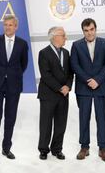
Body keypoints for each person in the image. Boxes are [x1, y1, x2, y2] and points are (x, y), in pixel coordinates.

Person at [0, 15, 28, 161]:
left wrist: (12, 75)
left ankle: (6, 148)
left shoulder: (22, 44)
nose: (7, 27)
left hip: (13, 86)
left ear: (16, 27)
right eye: (5, 25)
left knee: (10, 118)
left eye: (10, 25)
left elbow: (23, 65)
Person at [70, 18, 105, 162]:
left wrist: (98, 80)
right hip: (83, 87)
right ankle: (84, 147)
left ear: (96, 29)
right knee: (84, 118)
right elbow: (74, 65)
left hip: (101, 87)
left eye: (91, 29)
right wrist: (88, 80)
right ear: (83, 31)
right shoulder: (76, 45)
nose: (89, 33)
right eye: (86, 30)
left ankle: (103, 148)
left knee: (101, 118)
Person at [37, 26, 73, 160]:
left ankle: (57, 149)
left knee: (61, 123)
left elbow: (70, 73)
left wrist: (68, 86)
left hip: (64, 94)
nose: (66, 38)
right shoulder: (44, 53)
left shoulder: (66, 53)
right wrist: (60, 88)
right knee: (46, 123)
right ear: (55, 37)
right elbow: (46, 75)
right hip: (48, 94)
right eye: (63, 35)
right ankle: (43, 150)